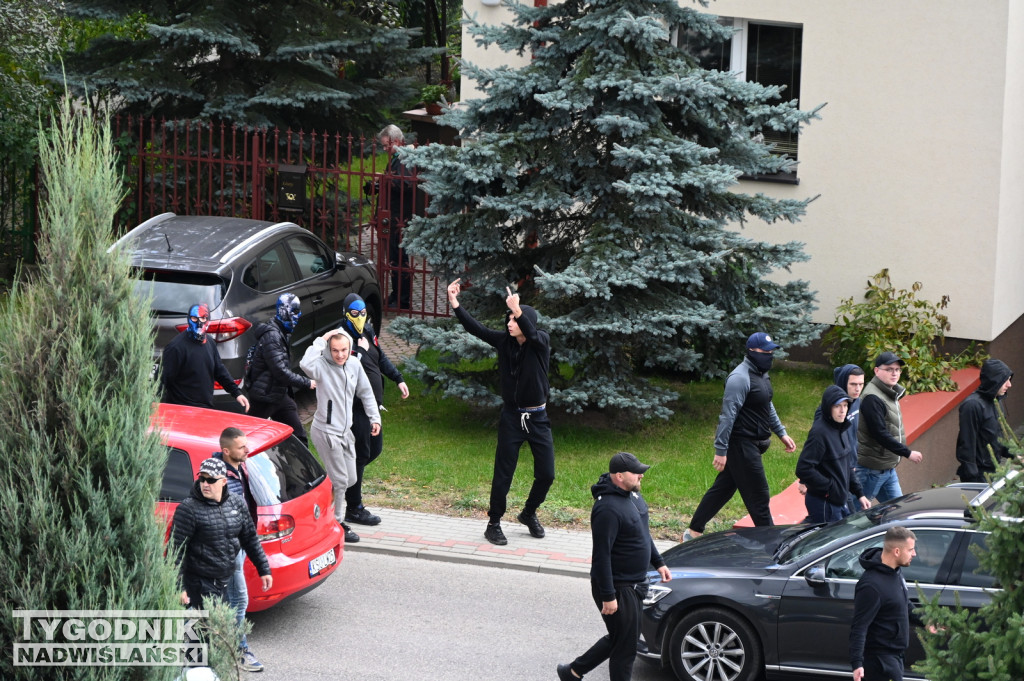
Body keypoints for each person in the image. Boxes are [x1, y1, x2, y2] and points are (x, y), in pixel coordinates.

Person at [447, 278, 554, 546]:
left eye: (514, 320)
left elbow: (531, 332)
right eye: (508, 319)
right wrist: (454, 302)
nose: (508, 323)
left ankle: (529, 513)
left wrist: (519, 310)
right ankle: (493, 523)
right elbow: (476, 329)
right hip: (511, 417)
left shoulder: (540, 342)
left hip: (538, 417)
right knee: (503, 473)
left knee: (547, 473)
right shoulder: (504, 342)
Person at [557, 452, 672, 681]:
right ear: (619, 476)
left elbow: (643, 533)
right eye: (636, 472)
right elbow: (601, 556)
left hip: (635, 583)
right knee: (626, 647)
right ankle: (573, 671)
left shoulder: (633, 497)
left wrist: (658, 562)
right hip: (618, 586)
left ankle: (573, 671)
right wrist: (609, 596)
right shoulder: (607, 509)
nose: (641, 475)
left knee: (622, 637)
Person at [685, 332, 797, 540]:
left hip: (753, 444)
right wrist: (721, 450)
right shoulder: (739, 378)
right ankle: (772, 544)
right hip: (742, 444)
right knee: (759, 496)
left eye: (772, 351)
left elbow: (766, 404)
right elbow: (727, 416)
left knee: (723, 488)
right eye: (766, 352)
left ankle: (693, 531)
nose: (770, 355)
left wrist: (780, 432)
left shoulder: (761, 373)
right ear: (752, 351)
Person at [300, 328, 381, 544]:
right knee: (340, 481)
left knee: (350, 478)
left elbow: (366, 392)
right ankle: (336, 525)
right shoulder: (321, 366)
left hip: (346, 433)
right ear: (329, 349)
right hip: (326, 431)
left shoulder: (354, 364)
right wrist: (322, 339)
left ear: (350, 348)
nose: (339, 355)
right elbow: (304, 364)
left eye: (344, 350)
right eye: (335, 350)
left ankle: (315, 507)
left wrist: (375, 418)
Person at [170, 458, 272, 628]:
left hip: (224, 580)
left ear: (224, 481)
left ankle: (235, 650)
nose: (205, 484)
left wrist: (264, 569)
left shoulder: (236, 503)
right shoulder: (188, 509)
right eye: (202, 479)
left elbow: (250, 539)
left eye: (211, 480)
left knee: (218, 629)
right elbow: (176, 550)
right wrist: (179, 587)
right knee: (205, 634)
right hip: (199, 584)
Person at [339, 293, 410, 526]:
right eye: (355, 314)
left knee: (373, 450)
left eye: (363, 313)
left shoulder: (367, 331)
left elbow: (380, 358)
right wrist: (358, 352)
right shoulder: (341, 338)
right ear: (346, 314)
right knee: (361, 454)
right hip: (355, 407)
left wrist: (398, 378)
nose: (360, 318)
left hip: (372, 407)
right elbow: (341, 368)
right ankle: (354, 507)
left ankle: (345, 478)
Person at [212, 428, 264, 672]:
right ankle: (239, 651)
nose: (247, 449)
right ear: (226, 451)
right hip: (228, 547)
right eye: (242, 447)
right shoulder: (217, 477)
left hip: (238, 544)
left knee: (223, 597)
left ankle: (217, 643)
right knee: (238, 598)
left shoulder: (238, 467)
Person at [849, 526, 924, 681]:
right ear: (896, 551)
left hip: (895, 656)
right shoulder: (871, 586)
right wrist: (857, 664)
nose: (914, 554)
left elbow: (903, 603)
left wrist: (926, 622)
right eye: (910, 550)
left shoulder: (895, 571)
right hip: (880, 662)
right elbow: (859, 627)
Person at [247, 293, 315, 446]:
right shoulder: (272, 336)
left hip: (278, 395)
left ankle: (300, 468)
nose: (299, 316)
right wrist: (307, 382)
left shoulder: (281, 333)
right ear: (284, 311)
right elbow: (280, 371)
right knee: (249, 440)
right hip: (264, 397)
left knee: (299, 436)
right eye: (295, 312)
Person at [796, 385, 871, 523]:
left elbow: (846, 466)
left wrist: (860, 494)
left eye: (845, 405)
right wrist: (830, 487)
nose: (843, 410)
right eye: (837, 406)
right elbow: (803, 468)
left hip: (840, 499)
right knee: (829, 542)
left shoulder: (842, 427)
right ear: (828, 408)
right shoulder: (819, 433)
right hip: (824, 502)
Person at [856, 352, 923, 503]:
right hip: (872, 470)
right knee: (854, 517)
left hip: (887, 468)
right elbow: (879, 433)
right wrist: (907, 453)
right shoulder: (873, 398)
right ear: (877, 371)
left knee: (898, 512)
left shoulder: (889, 393)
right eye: (889, 369)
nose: (894, 373)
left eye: (897, 369)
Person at [160, 303, 250, 413]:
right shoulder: (176, 347)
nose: (198, 323)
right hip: (182, 410)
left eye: (203, 318)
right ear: (188, 319)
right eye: (194, 318)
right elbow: (164, 381)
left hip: (204, 409)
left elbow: (219, 370)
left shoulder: (210, 343)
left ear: (208, 320)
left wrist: (236, 393)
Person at [365, 124, 416, 308]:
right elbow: (393, 182)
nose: (385, 149)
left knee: (400, 259)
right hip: (392, 217)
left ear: (395, 141)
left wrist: (385, 179)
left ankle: (403, 300)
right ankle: (396, 295)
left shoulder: (404, 158)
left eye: (386, 145)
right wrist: (377, 185)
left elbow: (405, 185)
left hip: (399, 218)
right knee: (394, 259)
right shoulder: (396, 157)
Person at [955, 358, 1014, 482]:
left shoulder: (996, 401)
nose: (1009, 384)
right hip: (978, 476)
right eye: (1005, 380)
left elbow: (999, 435)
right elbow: (967, 442)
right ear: (995, 380)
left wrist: (1014, 454)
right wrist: (973, 475)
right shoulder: (972, 405)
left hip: (994, 471)